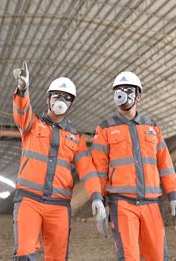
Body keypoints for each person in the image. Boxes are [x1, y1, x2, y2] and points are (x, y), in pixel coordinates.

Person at [12, 62, 106, 260]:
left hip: (59, 206)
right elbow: (21, 111)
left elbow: (87, 170)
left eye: (67, 98)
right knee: (24, 253)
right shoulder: (31, 125)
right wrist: (22, 91)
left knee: (58, 256)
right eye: (57, 95)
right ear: (48, 99)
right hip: (29, 200)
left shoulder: (76, 138)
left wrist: (97, 196)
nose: (61, 100)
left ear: (71, 103)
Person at [91, 71, 176, 260]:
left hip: (151, 203)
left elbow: (165, 163)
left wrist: (174, 195)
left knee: (157, 256)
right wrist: (97, 198)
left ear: (138, 95)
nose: (122, 94)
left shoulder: (152, 126)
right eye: (118, 90)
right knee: (128, 256)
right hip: (122, 204)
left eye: (128, 90)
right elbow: (98, 169)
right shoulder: (105, 128)